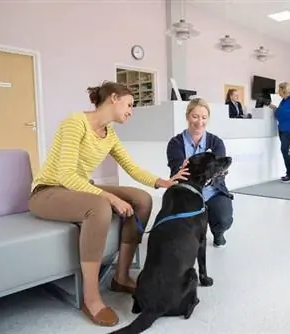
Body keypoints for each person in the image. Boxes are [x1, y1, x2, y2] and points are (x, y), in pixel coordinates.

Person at [28, 81, 189, 327]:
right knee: (100, 206)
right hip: (48, 191)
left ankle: (121, 277)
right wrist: (110, 197)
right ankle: (91, 298)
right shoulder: (75, 122)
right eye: (129, 104)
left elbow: (132, 168)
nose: (131, 111)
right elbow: (65, 175)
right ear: (114, 98)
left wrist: (164, 182)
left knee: (142, 199)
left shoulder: (109, 134)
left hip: (76, 188)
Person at [167, 98, 234, 248]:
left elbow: (219, 172)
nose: (199, 122)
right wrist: (180, 169)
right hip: (187, 193)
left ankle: (218, 233)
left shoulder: (216, 142)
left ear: (208, 119)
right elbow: (177, 172)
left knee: (224, 219)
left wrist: (207, 178)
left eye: (204, 117)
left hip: (212, 191)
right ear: (187, 116)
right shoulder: (175, 143)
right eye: (195, 116)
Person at [269, 82, 290, 182]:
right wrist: (272, 107)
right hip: (282, 129)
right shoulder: (283, 101)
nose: (278, 92)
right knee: (285, 151)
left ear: (284, 90)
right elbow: (280, 111)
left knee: (287, 151)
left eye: (279, 90)